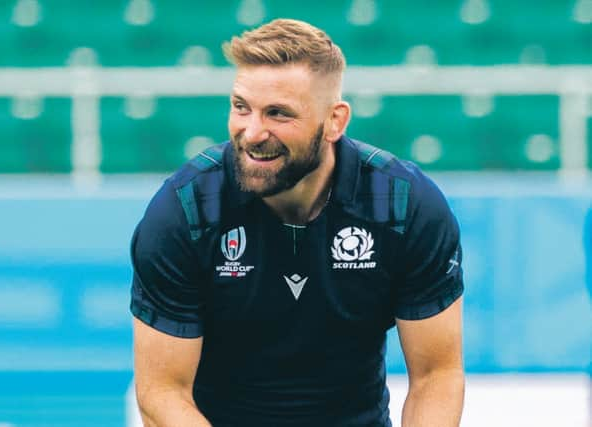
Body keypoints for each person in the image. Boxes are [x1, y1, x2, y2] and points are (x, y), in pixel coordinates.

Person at [130, 18, 464, 427]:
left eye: (278, 114)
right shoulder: (184, 210)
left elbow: (436, 376)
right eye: (241, 107)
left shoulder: (405, 206)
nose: (252, 132)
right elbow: (161, 393)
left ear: (335, 122)